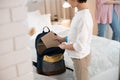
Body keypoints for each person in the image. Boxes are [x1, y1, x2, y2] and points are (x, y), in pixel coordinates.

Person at [55, 0, 93, 80]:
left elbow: (79, 46)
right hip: (79, 57)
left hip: (80, 58)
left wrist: (64, 46)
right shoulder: (80, 13)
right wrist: (62, 39)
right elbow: (75, 35)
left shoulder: (83, 18)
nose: (68, 2)